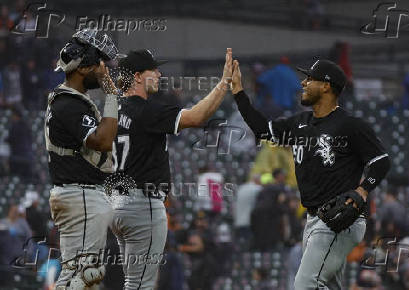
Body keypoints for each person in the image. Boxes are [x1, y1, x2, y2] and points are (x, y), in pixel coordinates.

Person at [231, 58, 390, 289]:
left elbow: (381, 161)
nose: (303, 83)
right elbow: (263, 130)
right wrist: (238, 93)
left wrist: (363, 190)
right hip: (314, 218)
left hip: (339, 218)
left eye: (309, 79)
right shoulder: (300, 123)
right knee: (328, 284)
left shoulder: (351, 125)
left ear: (326, 86)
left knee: (305, 284)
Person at [110, 48, 233, 289]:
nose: (158, 73)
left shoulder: (115, 108)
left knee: (132, 281)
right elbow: (197, 117)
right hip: (142, 203)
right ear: (136, 76)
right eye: (152, 69)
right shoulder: (146, 109)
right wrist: (224, 83)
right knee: (141, 284)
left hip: (118, 204)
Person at [44, 28, 119, 289]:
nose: (103, 69)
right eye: (99, 63)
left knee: (76, 275)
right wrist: (111, 94)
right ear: (84, 67)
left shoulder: (66, 100)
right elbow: (103, 140)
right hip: (82, 196)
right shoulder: (69, 103)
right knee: (86, 276)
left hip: (76, 195)